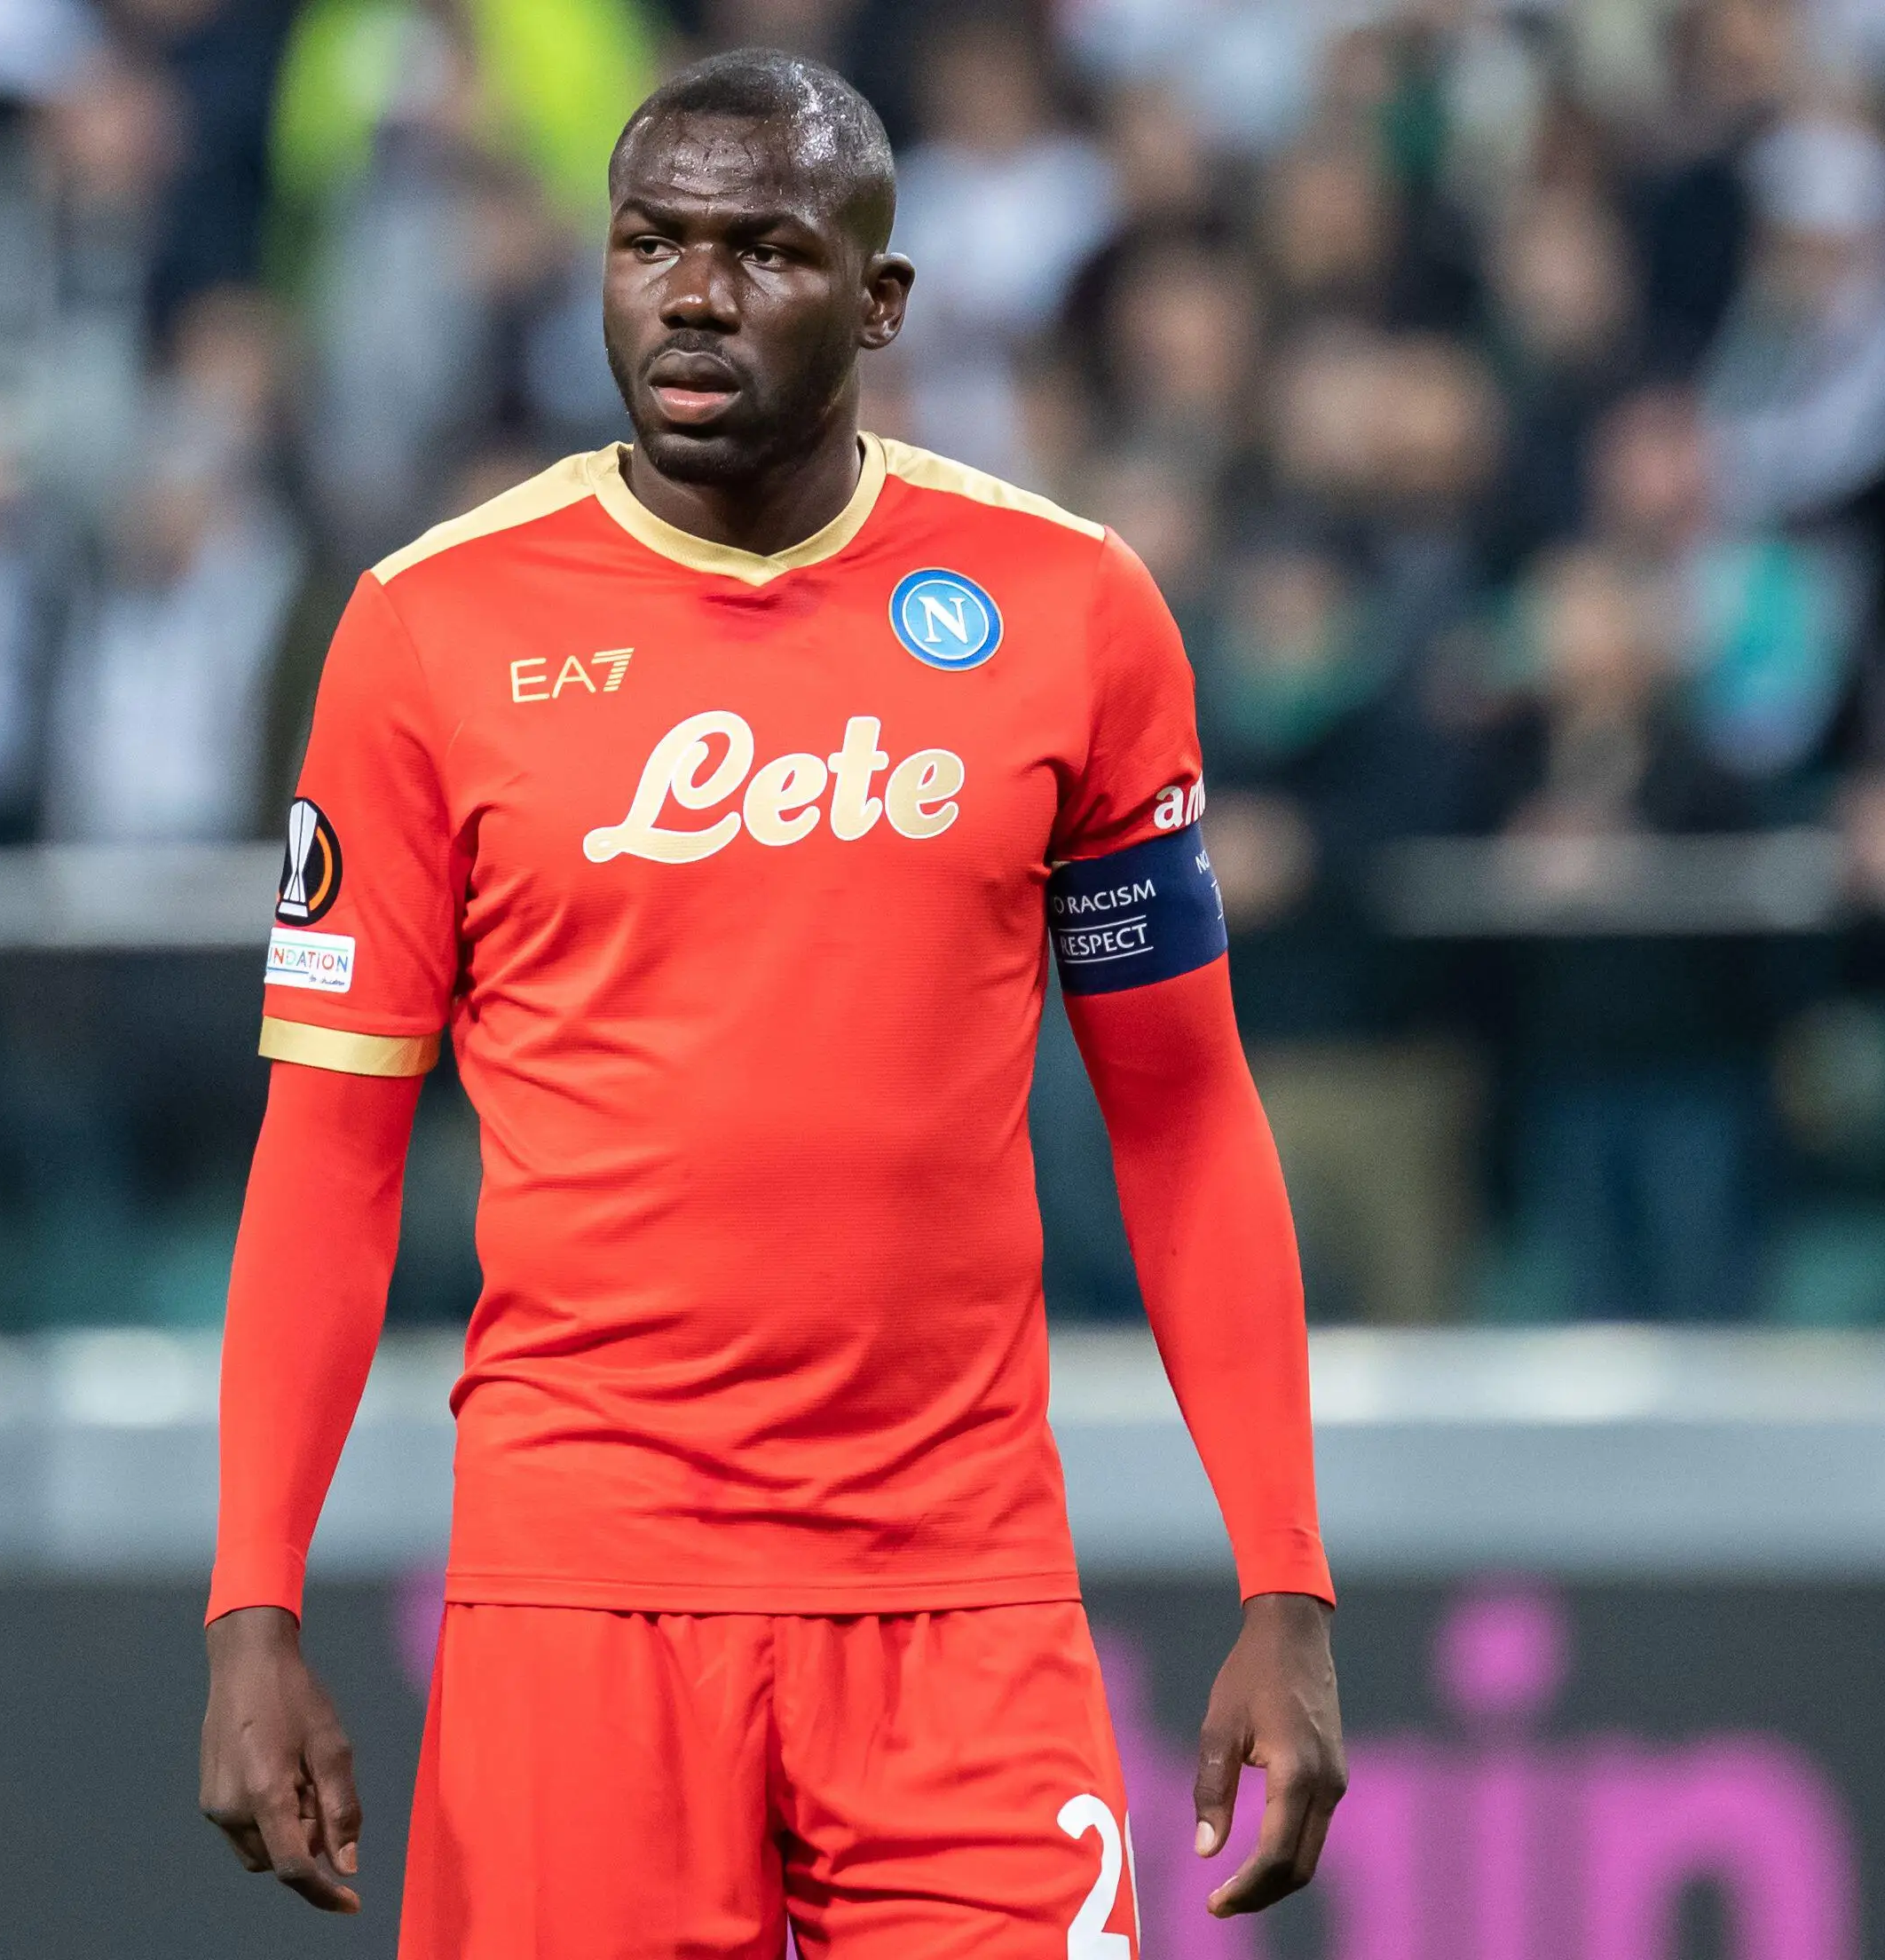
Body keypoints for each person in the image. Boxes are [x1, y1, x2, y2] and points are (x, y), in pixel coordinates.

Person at [195, 46, 1345, 1956]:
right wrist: (254, 1608)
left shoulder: (1067, 612)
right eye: (649, 243)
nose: (695, 295)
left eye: (764, 252)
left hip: (966, 1604)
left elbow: (1187, 1111)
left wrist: (1286, 1589)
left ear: (882, 301)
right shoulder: (428, 631)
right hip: (581, 1599)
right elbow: (328, 1148)